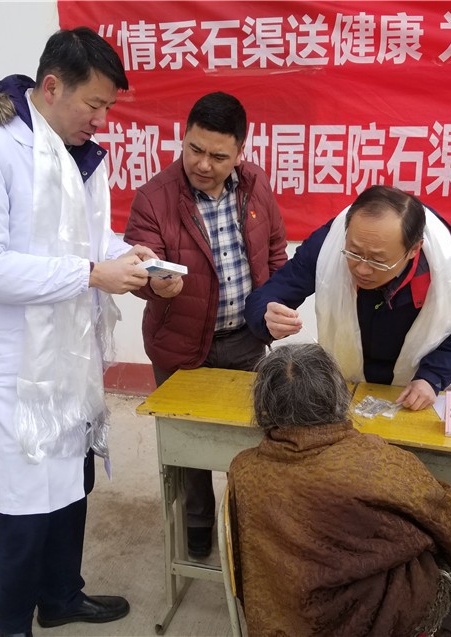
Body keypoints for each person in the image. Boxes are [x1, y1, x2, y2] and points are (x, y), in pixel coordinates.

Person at [0, 27, 157, 637]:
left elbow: (91, 241)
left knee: (73, 482)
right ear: (52, 87)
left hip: (67, 355)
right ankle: (12, 623)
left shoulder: (76, 156)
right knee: (25, 503)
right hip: (9, 366)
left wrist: (131, 259)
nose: (102, 120)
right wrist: (91, 273)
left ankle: (60, 596)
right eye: (95, 104)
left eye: (108, 107)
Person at [228, 343, 451, 637]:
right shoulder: (378, 460)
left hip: (284, 621)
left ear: (264, 404)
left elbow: (241, 557)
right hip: (370, 621)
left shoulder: (243, 468)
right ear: (337, 395)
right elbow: (448, 521)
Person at [124, 92, 287, 558]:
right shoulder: (154, 197)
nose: (202, 164)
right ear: (184, 137)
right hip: (179, 346)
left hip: (245, 342)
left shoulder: (255, 186)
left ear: (240, 152)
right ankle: (198, 525)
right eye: (194, 149)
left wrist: (276, 304)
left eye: (218, 156)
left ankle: (248, 524)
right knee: (188, 448)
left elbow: (275, 251)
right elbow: (139, 266)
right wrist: (156, 286)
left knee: (253, 444)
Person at [244, 184, 451, 411]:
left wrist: (433, 376)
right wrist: (267, 317)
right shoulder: (328, 243)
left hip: (416, 388)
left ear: (414, 249)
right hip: (342, 384)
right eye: (354, 253)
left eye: (378, 260)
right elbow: (269, 295)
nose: (362, 269)